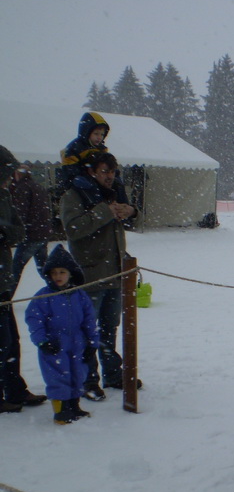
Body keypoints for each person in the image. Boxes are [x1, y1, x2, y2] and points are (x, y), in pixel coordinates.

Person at [60, 152, 140, 402]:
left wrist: (131, 211)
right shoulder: (74, 195)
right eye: (104, 171)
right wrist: (105, 212)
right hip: (90, 275)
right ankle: (87, 381)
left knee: (109, 329)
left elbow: (130, 221)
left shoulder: (113, 193)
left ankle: (113, 375)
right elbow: (73, 229)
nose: (110, 176)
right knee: (86, 332)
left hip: (116, 273)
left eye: (113, 172)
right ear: (91, 171)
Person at [25, 244, 99, 425]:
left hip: (77, 341)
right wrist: (42, 341)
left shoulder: (80, 295)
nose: (57, 276)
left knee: (77, 373)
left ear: (71, 273)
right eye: (54, 273)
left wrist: (92, 342)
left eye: (62, 272)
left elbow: (89, 320)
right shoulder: (43, 297)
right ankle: (61, 410)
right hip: (55, 343)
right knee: (58, 375)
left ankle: (74, 404)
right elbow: (34, 320)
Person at [0, 146, 47, 413]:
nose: (10, 178)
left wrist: (5, 234)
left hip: (2, 278)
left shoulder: (6, 195)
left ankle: (16, 390)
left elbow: (18, 230)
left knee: (11, 340)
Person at [9, 163, 53, 296]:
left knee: (15, 270)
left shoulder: (22, 188)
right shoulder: (38, 186)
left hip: (30, 235)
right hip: (43, 233)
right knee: (44, 268)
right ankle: (60, 290)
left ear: (17, 173)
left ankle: (5, 299)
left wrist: (13, 232)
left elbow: (20, 214)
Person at [57, 112, 110, 198]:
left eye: (102, 134)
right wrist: (75, 177)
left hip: (97, 178)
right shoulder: (75, 148)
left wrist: (111, 172)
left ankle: (121, 205)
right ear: (87, 132)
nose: (99, 137)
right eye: (96, 134)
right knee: (90, 189)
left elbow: (107, 164)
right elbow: (69, 168)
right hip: (79, 181)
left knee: (117, 185)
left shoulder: (102, 149)